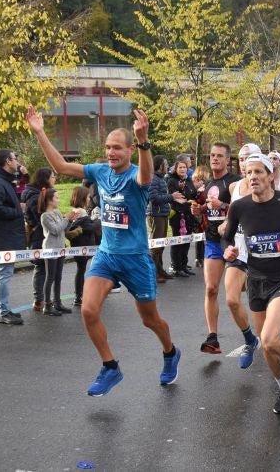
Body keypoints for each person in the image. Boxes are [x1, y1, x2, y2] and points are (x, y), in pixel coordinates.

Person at [27, 105, 179, 396]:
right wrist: (40, 132)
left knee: (150, 320)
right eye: (108, 147)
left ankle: (170, 352)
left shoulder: (136, 176)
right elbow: (61, 167)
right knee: (88, 309)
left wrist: (144, 141)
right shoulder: (100, 171)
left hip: (135, 259)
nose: (111, 152)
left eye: (117, 148)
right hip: (107, 255)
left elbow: (146, 177)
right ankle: (110, 367)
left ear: (130, 150)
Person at [221, 153, 280, 414]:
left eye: (258, 172)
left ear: (271, 175)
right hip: (256, 279)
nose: (253, 177)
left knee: (271, 340)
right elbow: (226, 237)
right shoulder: (239, 207)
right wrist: (228, 250)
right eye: (249, 172)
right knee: (266, 347)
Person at [193, 142, 243, 355]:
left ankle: (255, 331)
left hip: (234, 242)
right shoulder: (208, 184)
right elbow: (210, 209)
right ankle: (212, 337)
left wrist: (222, 206)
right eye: (213, 155)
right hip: (213, 241)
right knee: (211, 288)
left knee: (237, 293)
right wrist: (200, 210)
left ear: (227, 160)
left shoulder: (235, 182)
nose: (215, 158)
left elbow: (245, 207)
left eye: (220, 156)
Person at [217, 143, 262, 368]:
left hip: (262, 254)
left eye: (249, 158)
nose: (244, 163)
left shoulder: (267, 186)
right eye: (242, 159)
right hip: (239, 252)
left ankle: (277, 338)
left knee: (261, 308)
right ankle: (249, 340)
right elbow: (231, 217)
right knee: (232, 300)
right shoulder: (234, 187)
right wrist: (225, 226)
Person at [0, 149, 26, 325]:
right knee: (4, 272)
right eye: (15, 159)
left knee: (0, 271)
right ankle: (3, 311)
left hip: (3, 235)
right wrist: (18, 211)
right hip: (3, 236)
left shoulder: (2, 180)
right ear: (7, 161)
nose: (18, 162)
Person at [22, 168, 58, 313]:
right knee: (41, 268)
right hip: (39, 236)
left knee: (44, 269)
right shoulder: (34, 196)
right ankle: (39, 300)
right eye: (52, 177)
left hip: (41, 235)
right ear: (45, 179)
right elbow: (41, 218)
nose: (54, 179)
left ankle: (43, 299)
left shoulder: (37, 193)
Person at [66, 185, 101, 307]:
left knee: (81, 270)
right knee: (81, 270)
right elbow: (89, 227)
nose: (89, 199)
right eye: (87, 197)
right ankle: (79, 296)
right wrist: (98, 220)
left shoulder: (74, 211)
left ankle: (79, 295)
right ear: (82, 198)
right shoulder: (81, 211)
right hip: (83, 245)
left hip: (77, 245)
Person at [40, 187, 72, 316]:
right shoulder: (45, 216)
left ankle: (58, 303)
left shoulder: (57, 212)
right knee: (50, 277)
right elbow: (55, 230)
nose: (58, 200)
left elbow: (63, 229)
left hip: (60, 248)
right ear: (49, 200)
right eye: (56, 198)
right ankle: (47, 305)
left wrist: (70, 220)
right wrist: (66, 219)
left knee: (58, 277)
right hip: (51, 249)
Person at [166, 158, 198, 277]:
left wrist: (197, 192)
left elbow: (192, 194)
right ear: (176, 169)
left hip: (189, 214)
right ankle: (176, 267)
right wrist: (180, 189)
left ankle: (184, 266)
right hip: (177, 215)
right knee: (177, 242)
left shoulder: (188, 180)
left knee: (186, 242)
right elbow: (175, 198)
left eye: (184, 167)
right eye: (180, 167)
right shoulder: (172, 181)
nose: (182, 169)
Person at [148, 155, 174, 283]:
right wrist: (171, 197)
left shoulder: (161, 179)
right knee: (156, 246)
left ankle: (160, 270)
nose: (168, 166)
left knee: (161, 244)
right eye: (166, 164)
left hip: (162, 214)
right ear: (160, 166)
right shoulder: (154, 179)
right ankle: (153, 273)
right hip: (156, 214)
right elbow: (154, 198)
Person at [191, 164, 211, 269]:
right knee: (201, 237)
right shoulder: (201, 186)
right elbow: (198, 200)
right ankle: (200, 258)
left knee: (201, 237)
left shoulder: (203, 184)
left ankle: (200, 258)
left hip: (201, 214)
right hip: (201, 214)